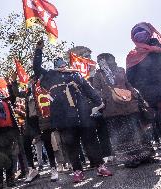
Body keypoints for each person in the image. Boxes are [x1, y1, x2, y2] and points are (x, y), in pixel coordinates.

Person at [33, 40, 112, 183]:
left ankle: (100, 166)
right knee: (71, 144)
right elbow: (37, 68)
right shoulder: (50, 76)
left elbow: (88, 89)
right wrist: (38, 51)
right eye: (57, 63)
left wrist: (99, 102)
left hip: (83, 113)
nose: (60, 65)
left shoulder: (75, 74)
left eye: (62, 62)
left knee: (91, 141)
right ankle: (77, 171)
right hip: (63, 118)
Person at [126, 22, 161, 156]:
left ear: (149, 33)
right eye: (136, 34)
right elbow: (132, 78)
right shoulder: (134, 55)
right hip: (156, 93)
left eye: (143, 32)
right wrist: (149, 89)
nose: (140, 36)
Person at [93, 53, 154, 168]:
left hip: (129, 105)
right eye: (99, 60)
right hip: (112, 109)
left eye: (103, 59)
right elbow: (96, 90)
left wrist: (135, 95)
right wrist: (106, 98)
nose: (101, 62)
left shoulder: (120, 70)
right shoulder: (99, 74)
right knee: (121, 135)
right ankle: (129, 160)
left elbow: (128, 84)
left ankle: (145, 156)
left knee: (136, 130)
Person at [12, 76, 59, 183]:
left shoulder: (42, 89)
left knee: (47, 144)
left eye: (32, 81)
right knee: (25, 143)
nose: (30, 82)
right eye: (29, 81)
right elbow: (17, 94)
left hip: (42, 121)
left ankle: (53, 169)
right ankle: (32, 170)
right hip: (30, 123)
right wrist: (13, 83)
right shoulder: (27, 92)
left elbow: (52, 101)